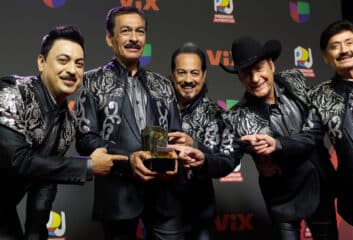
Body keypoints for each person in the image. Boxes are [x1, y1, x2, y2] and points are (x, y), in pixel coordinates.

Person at [260, 19, 353, 240]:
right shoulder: (320, 96)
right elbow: (308, 137)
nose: (344, 50)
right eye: (335, 46)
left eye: (349, 43)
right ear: (325, 57)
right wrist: (278, 144)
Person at [0, 25, 128, 240]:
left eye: (79, 64)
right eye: (63, 60)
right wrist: (87, 166)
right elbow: (17, 160)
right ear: (42, 62)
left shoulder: (68, 124)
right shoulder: (12, 94)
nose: (72, 70)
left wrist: (35, 235)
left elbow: (45, 183)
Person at [74, 6, 185, 240]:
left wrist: (177, 152)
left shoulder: (163, 85)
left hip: (164, 194)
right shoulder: (92, 82)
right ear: (109, 38)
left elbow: (176, 134)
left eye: (140, 31)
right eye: (126, 31)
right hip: (117, 196)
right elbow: (85, 139)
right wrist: (129, 159)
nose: (134, 38)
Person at [216, 36, 338, 239]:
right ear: (239, 77)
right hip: (283, 200)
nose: (255, 79)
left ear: (271, 65)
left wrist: (278, 145)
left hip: (319, 189)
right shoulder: (235, 117)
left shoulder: (294, 80)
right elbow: (225, 160)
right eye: (246, 73)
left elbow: (313, 134)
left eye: (259, 68)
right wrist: (200, 157)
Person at [168, 42, 224, 239]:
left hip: (200, 209)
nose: (188, 80)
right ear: (173, 74)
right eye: (182, 72)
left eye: (194, 73)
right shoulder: (158, 107)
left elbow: (220, 160)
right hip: (162, 208)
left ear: (204, 75)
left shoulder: (214, 113)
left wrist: (194, 145)